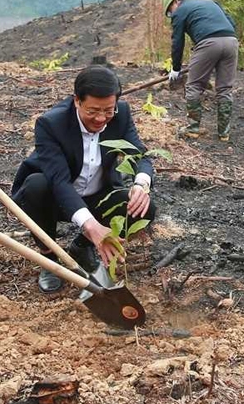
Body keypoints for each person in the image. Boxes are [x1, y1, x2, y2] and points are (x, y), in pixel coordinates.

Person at [11, 66, 157, 293]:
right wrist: (90, 225)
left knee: (144, 208)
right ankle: (50, 259)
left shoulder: (121, 114)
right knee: (36, 186)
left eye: (108, 111)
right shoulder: (51, 124)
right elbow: (58, 181)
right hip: (57, 198)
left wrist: (141, 183)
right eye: (93, 111)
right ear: (77, 101)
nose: (101, 118)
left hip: (99, 195)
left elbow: (140, 154)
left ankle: (81, 247)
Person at [162, 0, 239, 141]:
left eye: (170, 12)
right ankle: (224, 133)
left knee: (194, 86)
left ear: (175, 2)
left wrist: (176, 68)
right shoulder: (210, 2)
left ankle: (193, 129)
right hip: (231, 41)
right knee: (225, 88)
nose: (172, 15)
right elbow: (231, 23)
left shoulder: (180, 11)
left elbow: (177, 42)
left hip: (208, 43)